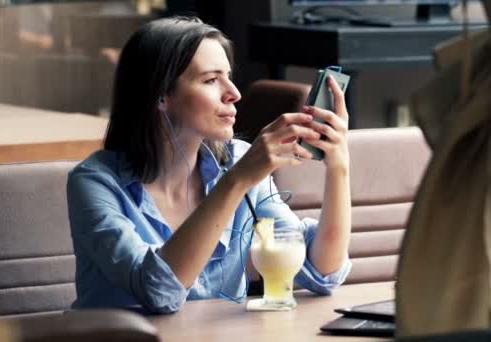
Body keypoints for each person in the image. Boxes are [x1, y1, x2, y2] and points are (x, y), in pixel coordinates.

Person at [67, 16, 352, 314]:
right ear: (161, 96)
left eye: (228, 76)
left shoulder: (238, 161)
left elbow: (321, 271)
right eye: (211, 80)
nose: (234, 93)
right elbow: (159, 291)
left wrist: (339, 166)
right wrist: (237, 180)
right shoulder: (95, 183)